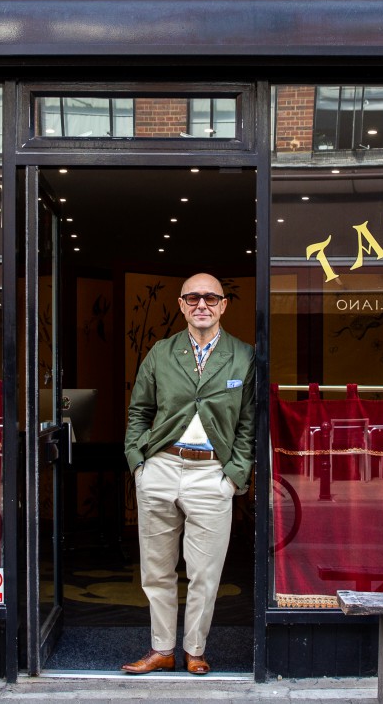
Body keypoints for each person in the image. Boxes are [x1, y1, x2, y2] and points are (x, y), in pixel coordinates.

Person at [120, 273, 255, 676]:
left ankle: (195, 648)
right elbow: (139, 411)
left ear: (224, 305)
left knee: (205, 572)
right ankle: (161, 649)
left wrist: (234, 474)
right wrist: (138, 463)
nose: (202, 305)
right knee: (156, 570)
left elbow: (248, 422)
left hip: (212, 472)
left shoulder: (244, 355)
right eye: (193, 298)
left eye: (211, 298)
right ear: (181, 305)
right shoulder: (162, 352)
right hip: (160, 467)